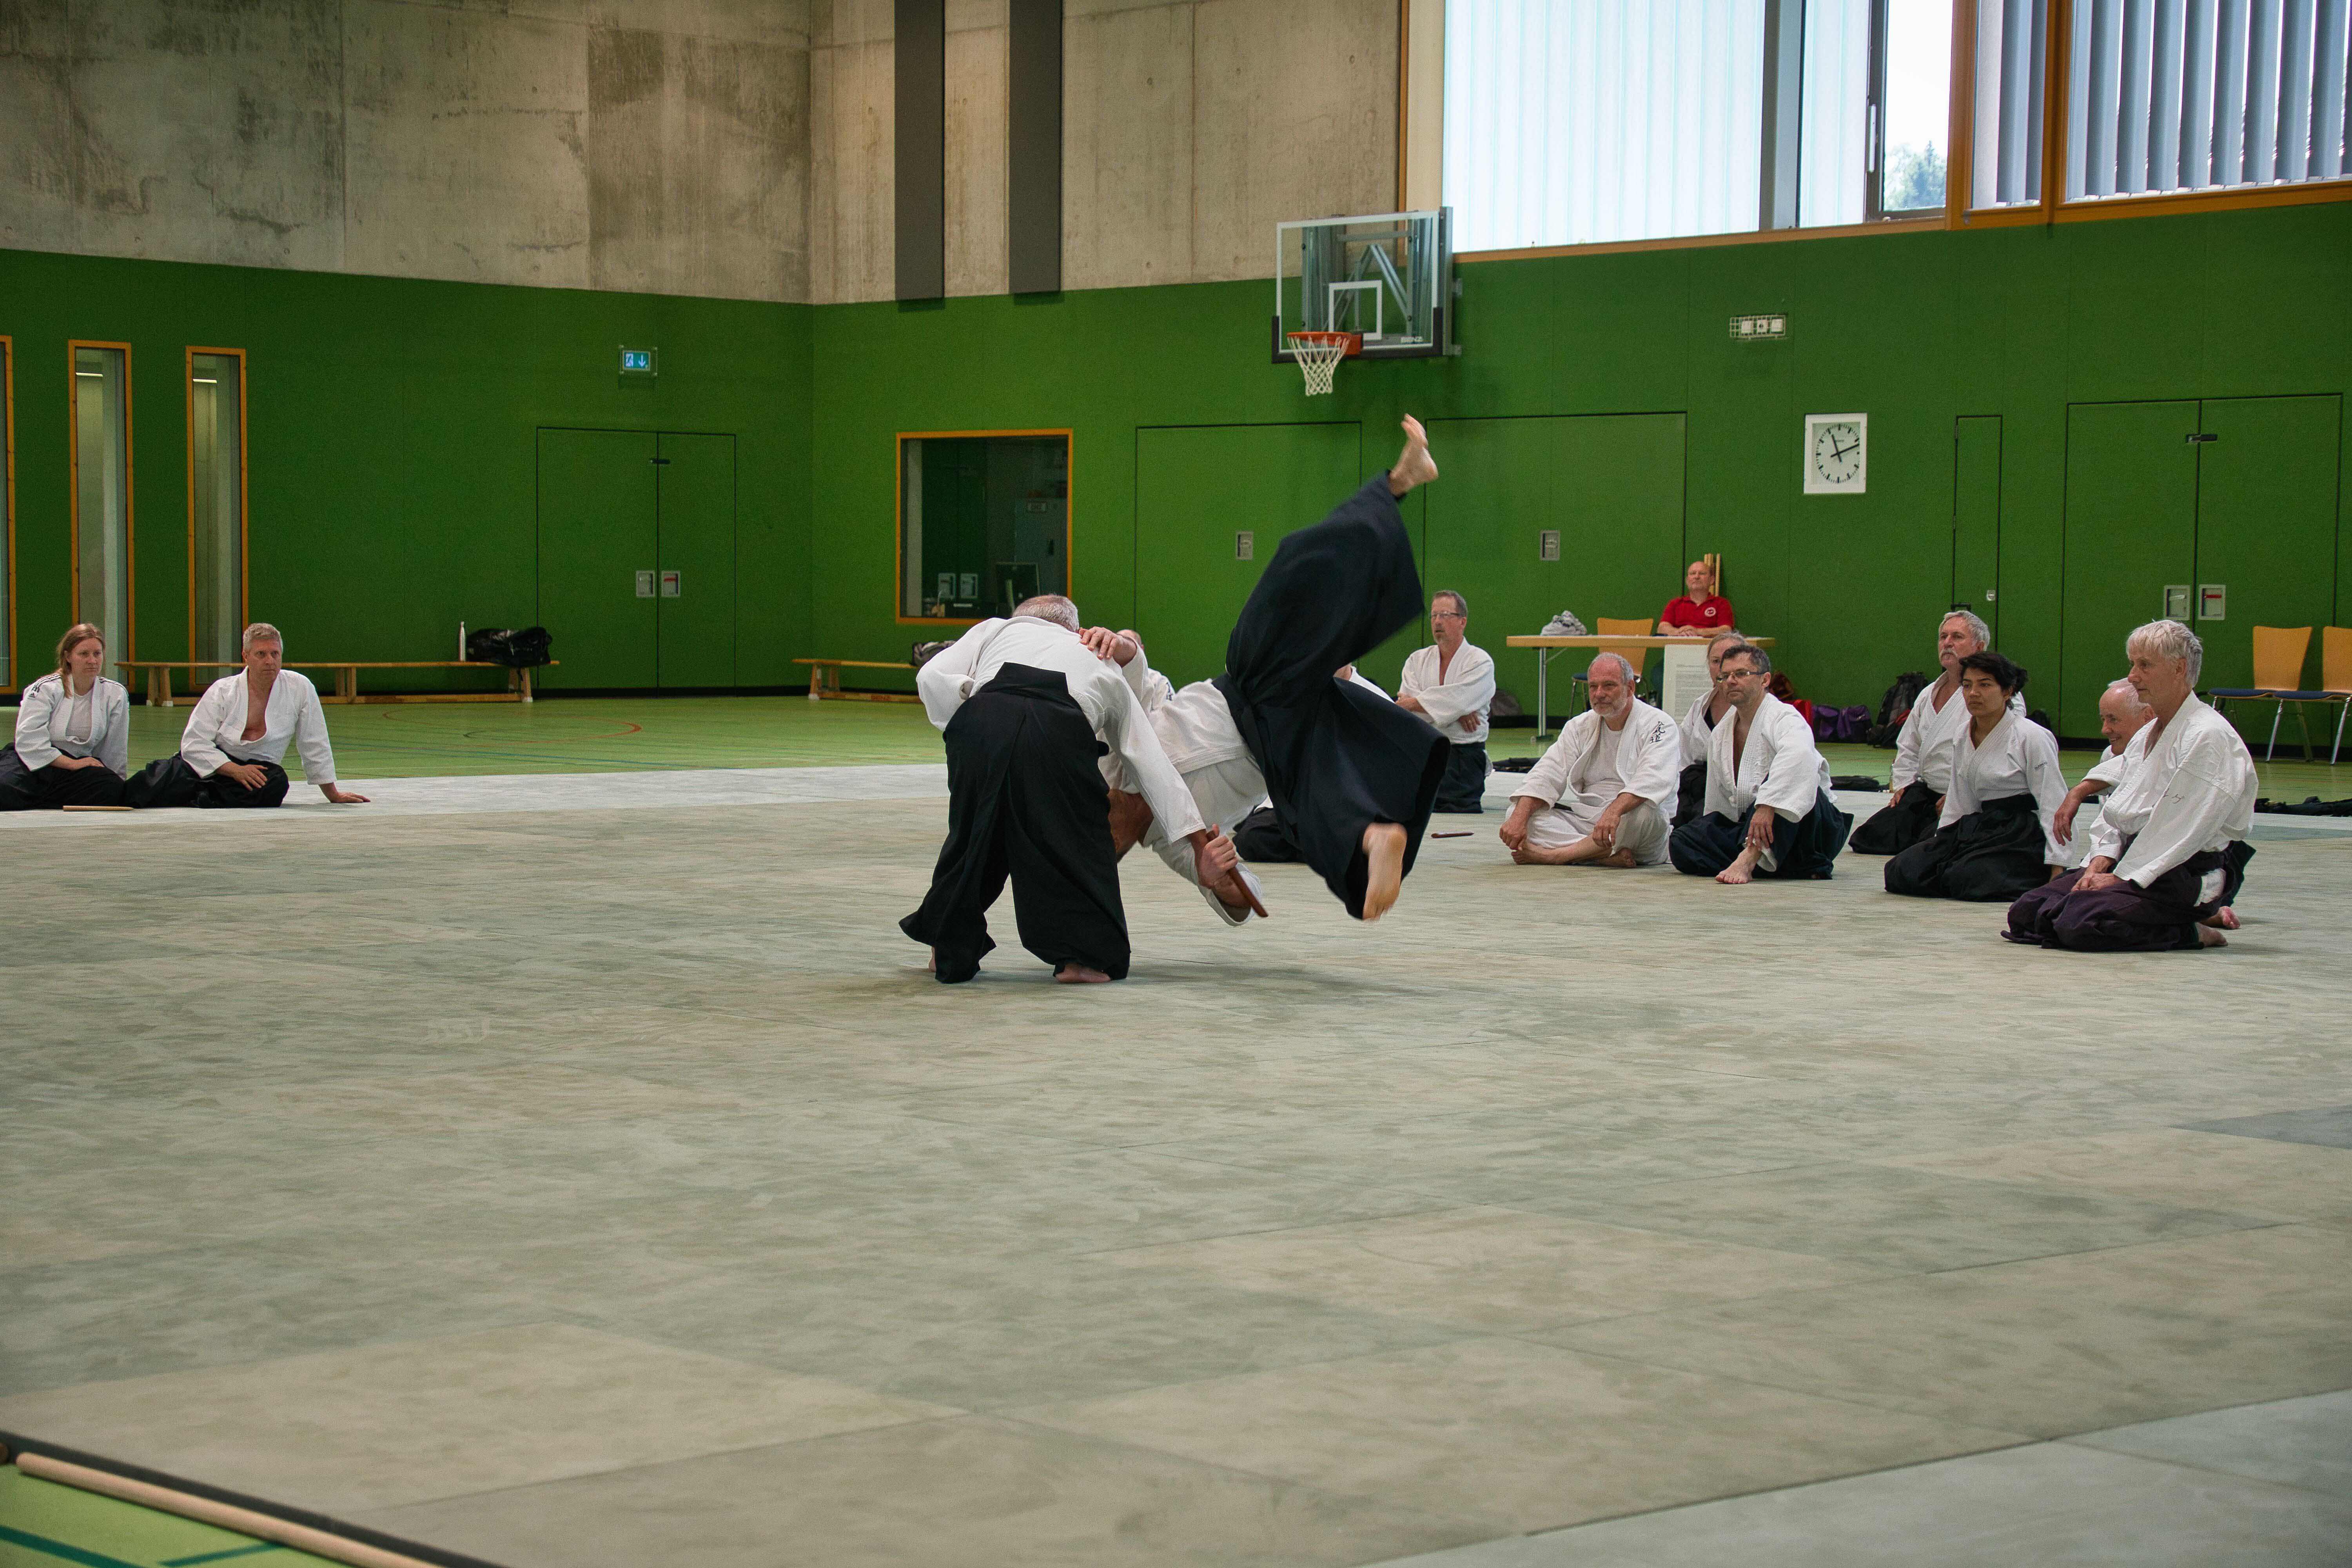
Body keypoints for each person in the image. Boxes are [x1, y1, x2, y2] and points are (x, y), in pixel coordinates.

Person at [1111, 418, 1448, 922]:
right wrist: (1219, 878)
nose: (1111, 820)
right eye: (1111, 841)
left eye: (1101, 816)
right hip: (1275, 750)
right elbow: (1245, 902)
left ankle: (1399, 481)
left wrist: (1119, 644)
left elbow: (1135, 672)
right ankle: (1374, 835)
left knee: (1297, 565)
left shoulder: (1114, 751)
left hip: (1246, 684)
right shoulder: (1174, 841)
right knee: (1309, 802)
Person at [900, 595, 1245, 984]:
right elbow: (1151, 764)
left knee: (973, 835)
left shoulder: (997, 629)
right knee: (1075, 842)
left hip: (982, 716)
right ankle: (1082, 960)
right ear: (1074, 627)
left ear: (1019, 619)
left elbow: (930, 677)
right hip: (1058, 728)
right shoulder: (1098, 656)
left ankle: (947, 946)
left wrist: (976, 701)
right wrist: (1198, 845)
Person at [2006, 621, 2256, 952]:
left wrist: (2123, 877)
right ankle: (2157, 917)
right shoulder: (2148, 734)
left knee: (2080, 922)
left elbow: (2182, 829)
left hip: (2183, 873)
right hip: (2135, 859)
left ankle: (2192, 932)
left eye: (2145, 665)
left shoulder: (2207, 735)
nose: (2133, 676)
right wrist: (2101, 859)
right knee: (2027, 912)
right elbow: (2121, 808)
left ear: (2179, 668)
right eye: (2133, 664)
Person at [1883, 652, 2066, 902]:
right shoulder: (1963, 733)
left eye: (1985, 685)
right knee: (1902, 870)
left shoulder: (2032, 737)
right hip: (1981, 824)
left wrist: (2057, 866)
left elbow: (2053, 802)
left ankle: (2028, 873)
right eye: (1967, 686)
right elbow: (1960, 797)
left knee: (1968, 878)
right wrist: (1943, 839)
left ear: (2008, 691)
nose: (1973, 693)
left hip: (2020, 832)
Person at [123, 624, 368, 809]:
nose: (270, 661)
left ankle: (193, 795)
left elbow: (314, 742)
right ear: (246, 656)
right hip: (214, 764)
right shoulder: (223, 690)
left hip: (257, 771)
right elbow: (194, 743)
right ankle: (200, 794)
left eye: (275, 654)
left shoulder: (300, 687)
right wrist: (232, 770)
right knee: (152, 780)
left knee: (276, 784)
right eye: (262, 654)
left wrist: (332, 794)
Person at [1668, 642, 1850, 883]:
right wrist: (1713, 829)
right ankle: (1784, 864)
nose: (1731, 681)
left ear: (1765, 680)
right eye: (1725, 676)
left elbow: (1800, 756)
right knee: (1682, 842)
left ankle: (1750, 859)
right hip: (1753, 827)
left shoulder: (1785, 718)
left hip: (1806, 826)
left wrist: (1767, 805)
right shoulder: (1721, 733)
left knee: (1786, 783)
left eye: (1741, 674)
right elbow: (1719, 806)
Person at [1851, 610, 2020, 856]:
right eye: (1943, 637)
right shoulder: (1928, 693)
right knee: (1870, 837)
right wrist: (1904, 785)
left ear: (1979, 647)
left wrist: (1958, 795)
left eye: (1957, 637)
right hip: (1928, 791)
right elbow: (1909, 745)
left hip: (1973, 796)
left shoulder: (1996, 694)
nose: (1947, 643)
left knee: (1930, 846)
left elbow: (2000, 753)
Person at [1497, 653, 1680, 867]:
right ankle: (1599, 855)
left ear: (1630, 687)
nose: (1599, 694)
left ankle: (1558, 856)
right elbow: (1548, 772)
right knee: (1518, 813)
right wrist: (1519, 817)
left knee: (1643, 814)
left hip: (1632, 822)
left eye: (1609, 686)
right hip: (1589, 822)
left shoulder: (1659, 725)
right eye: (1593, 687)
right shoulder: (1580, 726)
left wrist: (1614, 812)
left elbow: (1653, 779)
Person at [1, 624, 130, 810]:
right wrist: (71, 764)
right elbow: (29, 740)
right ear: (68, 656)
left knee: (110, 787)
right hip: (30, 761)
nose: (92, 661)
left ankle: (33, 800)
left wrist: (116, 783)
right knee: (4, 788)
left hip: (75, 767)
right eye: (84, 654)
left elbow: (114, 748)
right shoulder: (45, 688)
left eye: (97, 654)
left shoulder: (115, 694)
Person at [1397, 591, 1494, 813]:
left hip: (1463, 757)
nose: (1438, 621)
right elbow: (1411, 710)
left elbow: (1411, 704)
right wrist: (1457, 711)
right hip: (1424, 751)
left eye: (1445, 615)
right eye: (1434, 616)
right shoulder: (1417, 660)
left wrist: (1416, 704)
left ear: (1462, 622)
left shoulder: (1480, 662)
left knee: (1451, 804)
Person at [1673, 630, 1744, 826]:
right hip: (1696, 786)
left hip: (1737, 793)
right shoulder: (1700, 706)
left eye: (1730, 659)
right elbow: (1682, 757)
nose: (1722, 668)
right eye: (1715, 661)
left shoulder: (1757, 708)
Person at [1658, 559, 1734, 636]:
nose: (1697, 577)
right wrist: (1679, 632)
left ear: (1711, 580)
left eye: (1702, 574)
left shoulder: (1721, 604)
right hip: (1679, 643)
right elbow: (1662, 628)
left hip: (1709, 644)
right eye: (1693, 574)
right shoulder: (1675, 604)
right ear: (1687, 581)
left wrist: (1698, 632)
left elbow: (1726, 630)